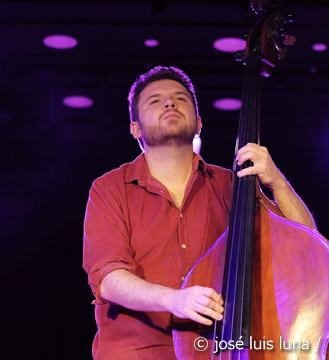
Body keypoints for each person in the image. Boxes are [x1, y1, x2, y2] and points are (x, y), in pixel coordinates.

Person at [83, 66, 315, 359]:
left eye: (180, 98)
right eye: (155, 100)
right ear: (135, 128)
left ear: (198, 124)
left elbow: (307, 245)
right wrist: (173, 300)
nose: (170, 103)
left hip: (216, 348)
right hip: (138, 351)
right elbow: (108, 279)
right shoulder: (110, 188)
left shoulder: (231, 185)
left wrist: (277, 182)